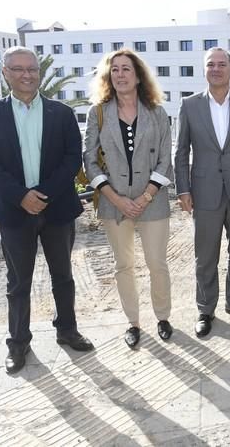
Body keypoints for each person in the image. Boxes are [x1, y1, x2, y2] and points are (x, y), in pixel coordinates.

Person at [0, 46, 94, 373]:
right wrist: (20, 196)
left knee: (63, 276)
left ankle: (67, 331)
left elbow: (73, 158)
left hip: (56, 208)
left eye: (32, 69)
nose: (27, 75)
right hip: (15, 213)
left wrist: (42, 193)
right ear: (5, 72)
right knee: (18, 282)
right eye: (18, 69)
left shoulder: (61, 112)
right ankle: (18, 343)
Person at [83, 49, 173, 348]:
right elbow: (90, 163)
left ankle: (162, 316)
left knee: (157, 264)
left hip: (153, 202)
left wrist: (146, 196)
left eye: (126, 69)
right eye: (115, 69)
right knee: (124, 266)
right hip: (114, 203)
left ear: (138, 76)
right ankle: (133, 322)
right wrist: (117, 199)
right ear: (109, 76)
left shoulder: (157, 112)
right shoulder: (97, 112)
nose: (120, 74)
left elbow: (164, 160)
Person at [174, 47, 230, 337]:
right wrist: (183, 189)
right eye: (210, 64)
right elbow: (181, 151)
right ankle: (205, 309)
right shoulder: (189, 105)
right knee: (205, 254)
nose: (216, 68)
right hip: (204, 192)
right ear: (204, 70)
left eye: (222, 64)